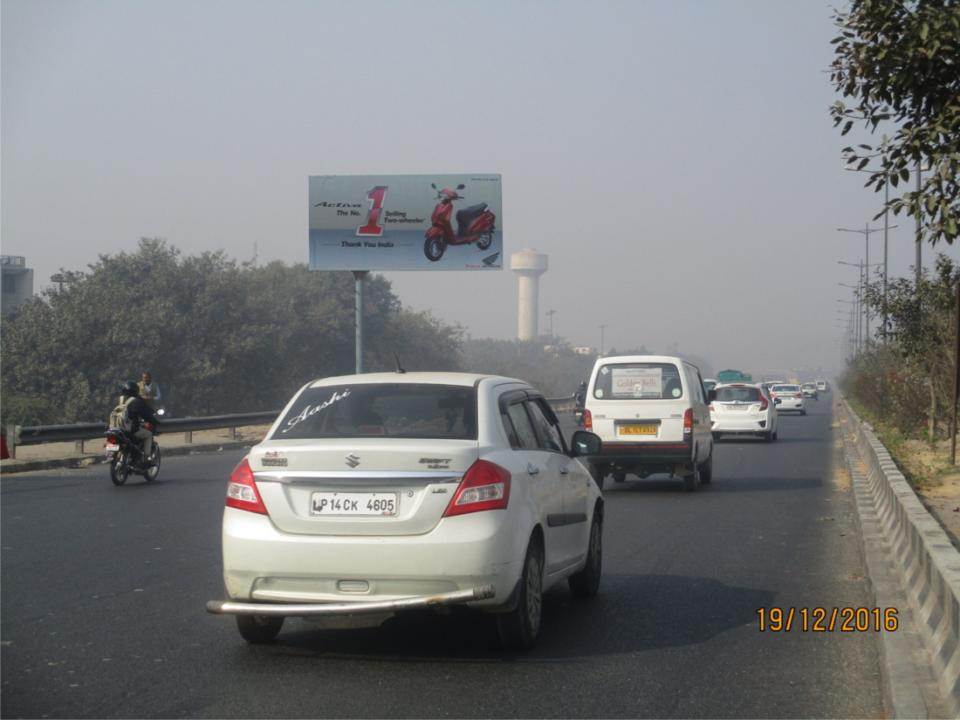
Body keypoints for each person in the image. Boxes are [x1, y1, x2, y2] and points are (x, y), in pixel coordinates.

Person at [118, 380, 160, 467]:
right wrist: (155, 422)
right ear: (134, 391)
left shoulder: (120, 400)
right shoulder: (135, 401)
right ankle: (146, 458)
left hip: (117, 428)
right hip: (129, 429)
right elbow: (146, 414)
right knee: (148, 434)